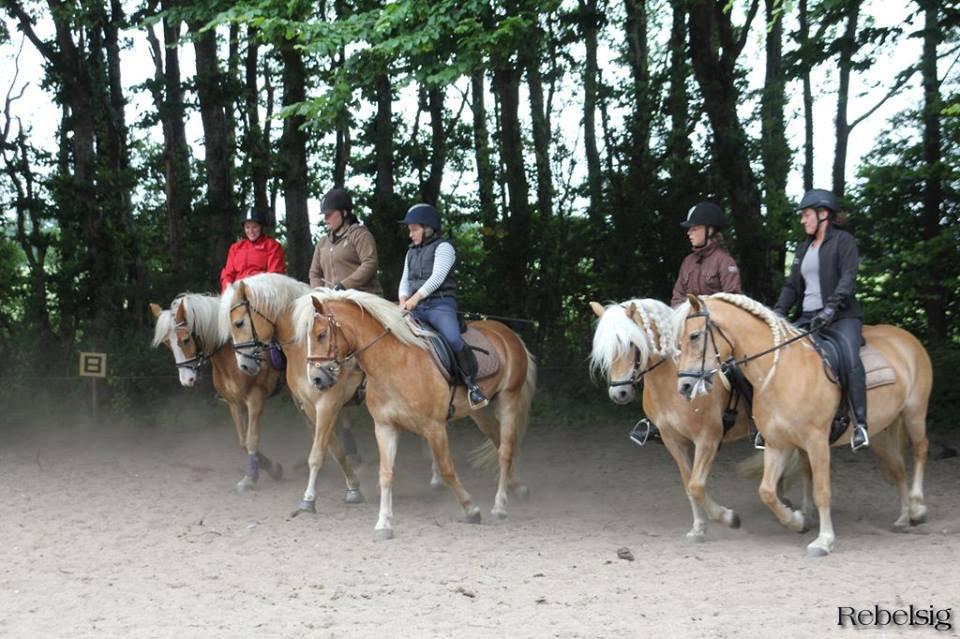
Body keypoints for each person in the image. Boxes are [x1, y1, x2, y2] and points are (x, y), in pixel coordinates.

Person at [773, 188, 869, 451]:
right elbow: (792, 285)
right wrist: (778, 312)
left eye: (806, 215)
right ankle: (773, 424)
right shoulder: (803, 248)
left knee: (849, 357)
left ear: (823, 214)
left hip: (841, 316)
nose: (803, 220)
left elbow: (848, 278)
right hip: (807, 317)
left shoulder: (844, 241)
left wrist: (830, 309)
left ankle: (860, 423)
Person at [398, 203, 488, 409]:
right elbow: (405, 279)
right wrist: (403, 300)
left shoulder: (444, 248)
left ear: (428, 228)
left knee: (453, 338)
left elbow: (437, 277)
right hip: (415, 306)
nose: (410, 234)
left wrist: (415, 298)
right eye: (410, 230)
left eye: (414, 229)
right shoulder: (410, 252)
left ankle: (471, 385)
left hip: (440, 305)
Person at [309, 187, 382, 294]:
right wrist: (319, 293)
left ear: (344, 213)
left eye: (329, 214)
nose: (325, 219)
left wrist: (344, 286)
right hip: (333, 299)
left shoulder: (360, 235)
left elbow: (370, 263)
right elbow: (315, 273)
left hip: (363, 296)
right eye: (324, 215)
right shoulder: (322, 243)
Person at [671, 201, 742, 308]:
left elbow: (732, 299)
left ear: (709, 231)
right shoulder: (687, 262)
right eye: (689, 229)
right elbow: (677, 298)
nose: (689, 233)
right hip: (689, 320)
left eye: (694, 229)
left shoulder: (725, 261)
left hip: (715, 322)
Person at [220, 208, 286, 292]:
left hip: (261, 292)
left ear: (261, 227)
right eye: (247, 227)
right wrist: (227, 289)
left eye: (255, 227)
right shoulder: (236, 248)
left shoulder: (272, 246)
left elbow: (274, 275)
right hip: (238, 293)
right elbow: (228, 274)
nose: (251, 231)